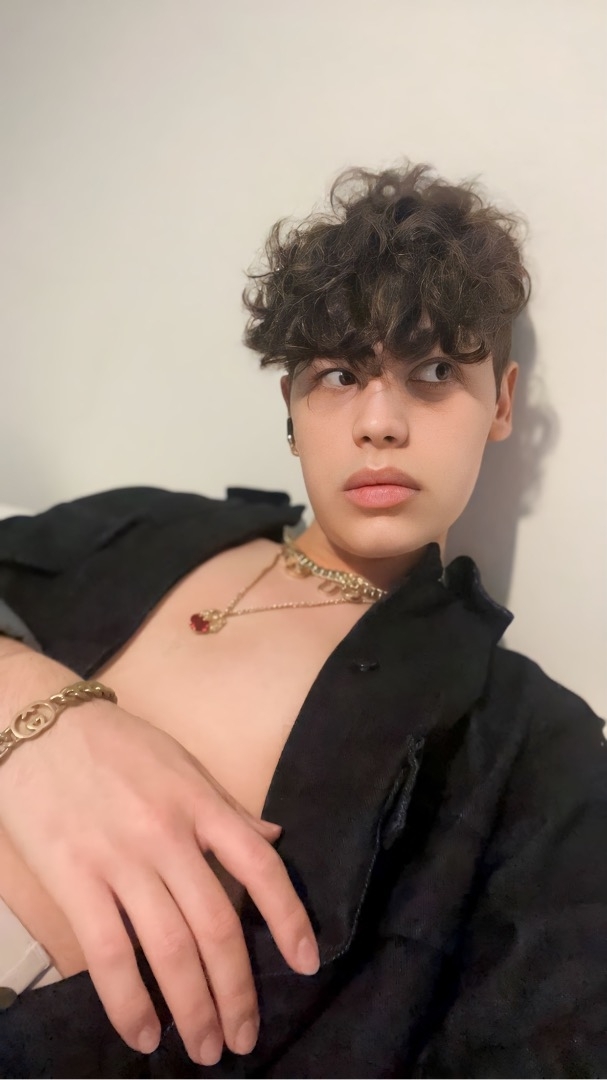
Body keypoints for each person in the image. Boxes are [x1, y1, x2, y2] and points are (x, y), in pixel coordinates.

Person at [0, 162, 604, 1079]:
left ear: (502, 403)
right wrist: (30, 707)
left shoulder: (530, 748)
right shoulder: (141, 524)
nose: (379, 422)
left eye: (434, 370)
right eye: (338, 373)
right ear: (290, 405)